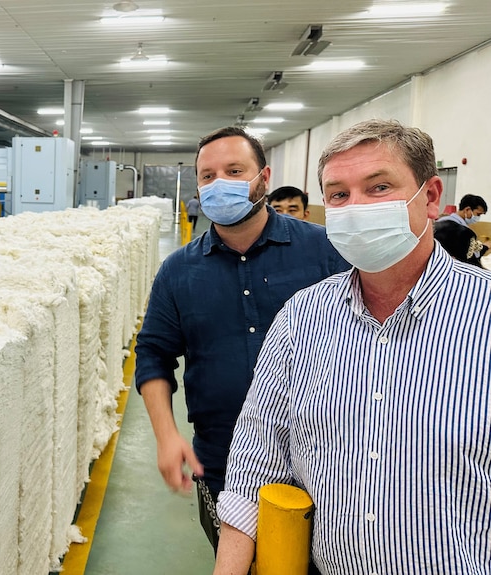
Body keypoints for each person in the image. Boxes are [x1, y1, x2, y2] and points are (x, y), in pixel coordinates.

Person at [215, 119, 491, 574]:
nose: (356, 207)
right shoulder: (302, 318)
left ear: (431, 195)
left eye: (379, 187)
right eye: (339, 195)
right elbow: (254, 464)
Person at [133, 126, 350, 554]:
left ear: (263, 177)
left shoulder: (326, 250)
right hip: (223, 460)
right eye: (208, 176)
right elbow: (153, 353)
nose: (219, 184)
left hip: (329, 459)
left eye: (234, 171)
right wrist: (165, 434)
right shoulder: (178, 270)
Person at [434, 193, 489, 265]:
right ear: (467, 209)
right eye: (478, 214)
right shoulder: (464, 232)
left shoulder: (440, 222)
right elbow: (470, 260)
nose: (478, 218)